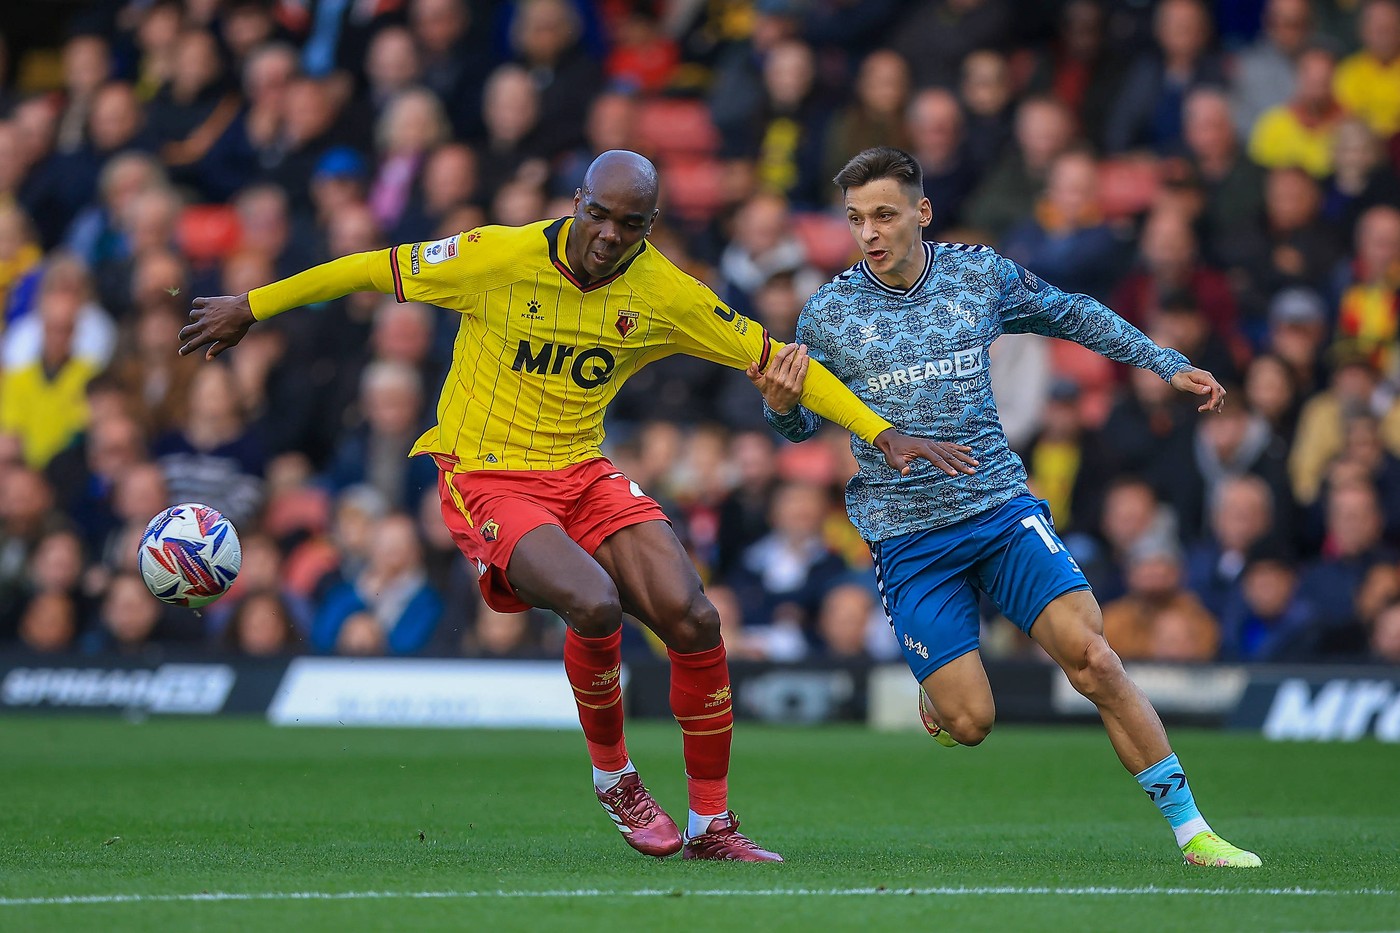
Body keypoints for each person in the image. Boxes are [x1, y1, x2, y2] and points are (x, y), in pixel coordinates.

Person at [178, 149, 971, 863]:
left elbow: (775, 357)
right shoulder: (497, 255)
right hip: (484, 472)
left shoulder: (664, 290)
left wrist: (881, 430)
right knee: (592, 601)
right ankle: (616, 778)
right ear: (576, 202)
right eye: (598, 214)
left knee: (694, 618)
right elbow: (366, 267)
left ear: (648, 227)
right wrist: (253, 304)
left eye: (629, 224)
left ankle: (712, 824)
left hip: (583, 471)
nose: (608, 234)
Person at [747, 146, 1260, 868]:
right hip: (908, 537)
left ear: (922, 212)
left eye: (886, 214)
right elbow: (803, 420)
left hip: (997, 509)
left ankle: (1193, 831)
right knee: (972, 720)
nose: (870, 232)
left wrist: (1162, 360)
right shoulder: (828, 313)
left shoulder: (977, 274)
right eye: (857, 218)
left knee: (1095, 659)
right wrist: (779, 409)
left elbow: (1070, 313)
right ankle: (943, 701)